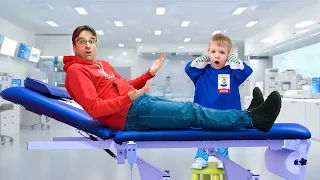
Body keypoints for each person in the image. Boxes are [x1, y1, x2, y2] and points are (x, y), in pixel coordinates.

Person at [62, 25, 281, 136]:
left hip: (137, 103)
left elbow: (127, 85)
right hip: (128, 114)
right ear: (74, 46)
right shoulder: (76, 71)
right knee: (192, 113)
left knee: (190, 108)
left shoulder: (102, 65)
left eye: (92, 41)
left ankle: (248, 114)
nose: (89, 45)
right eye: (83, 42)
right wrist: (127, 98)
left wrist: (149, 73)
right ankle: (253, 119)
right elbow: (94, 108)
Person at [184, 33, 263, 169]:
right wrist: (205, 57)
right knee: (203, 136)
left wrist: (232, 58)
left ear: (228, 55)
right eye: (213, 52)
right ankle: (201, 157)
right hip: (203, 113)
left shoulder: (232, 73)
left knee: (224, 137)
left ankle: (223, 157)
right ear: (208, 53)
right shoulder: (201, 72)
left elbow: (246, 71)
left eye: (222, 52)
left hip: (226, 114)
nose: (217, 56)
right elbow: (189, 68)